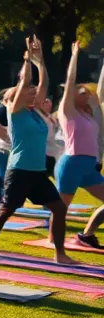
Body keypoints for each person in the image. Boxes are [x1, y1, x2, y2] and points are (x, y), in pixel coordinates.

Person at [0, 40, 73, 264]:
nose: (35, 96)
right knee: (6, 210)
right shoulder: (15, 112)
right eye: (30, 93)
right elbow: (26, 82)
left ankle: (60, 254)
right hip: (20, 170)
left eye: (35, 94)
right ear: (18, 97)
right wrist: (26, 61)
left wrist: (39, 59)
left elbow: (44, 82)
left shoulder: (35, 113)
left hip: (38, 172)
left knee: (59, 208)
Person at [57, 43, 104, 248]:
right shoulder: (68, 112)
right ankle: (55, 244)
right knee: (61, 209)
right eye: (83, 93)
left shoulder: (90, 115)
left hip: (89, 167)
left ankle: (85, 236)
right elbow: (70, 82)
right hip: (72, 164)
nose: (87, 95)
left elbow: (99, 95)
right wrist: (75, 55)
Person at [40, 94, 64, 176]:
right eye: (44, 101)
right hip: (44, 153)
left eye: (48, 100)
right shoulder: (39, 118)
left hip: (54, 152)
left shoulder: (52, 117)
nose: (47, 101)